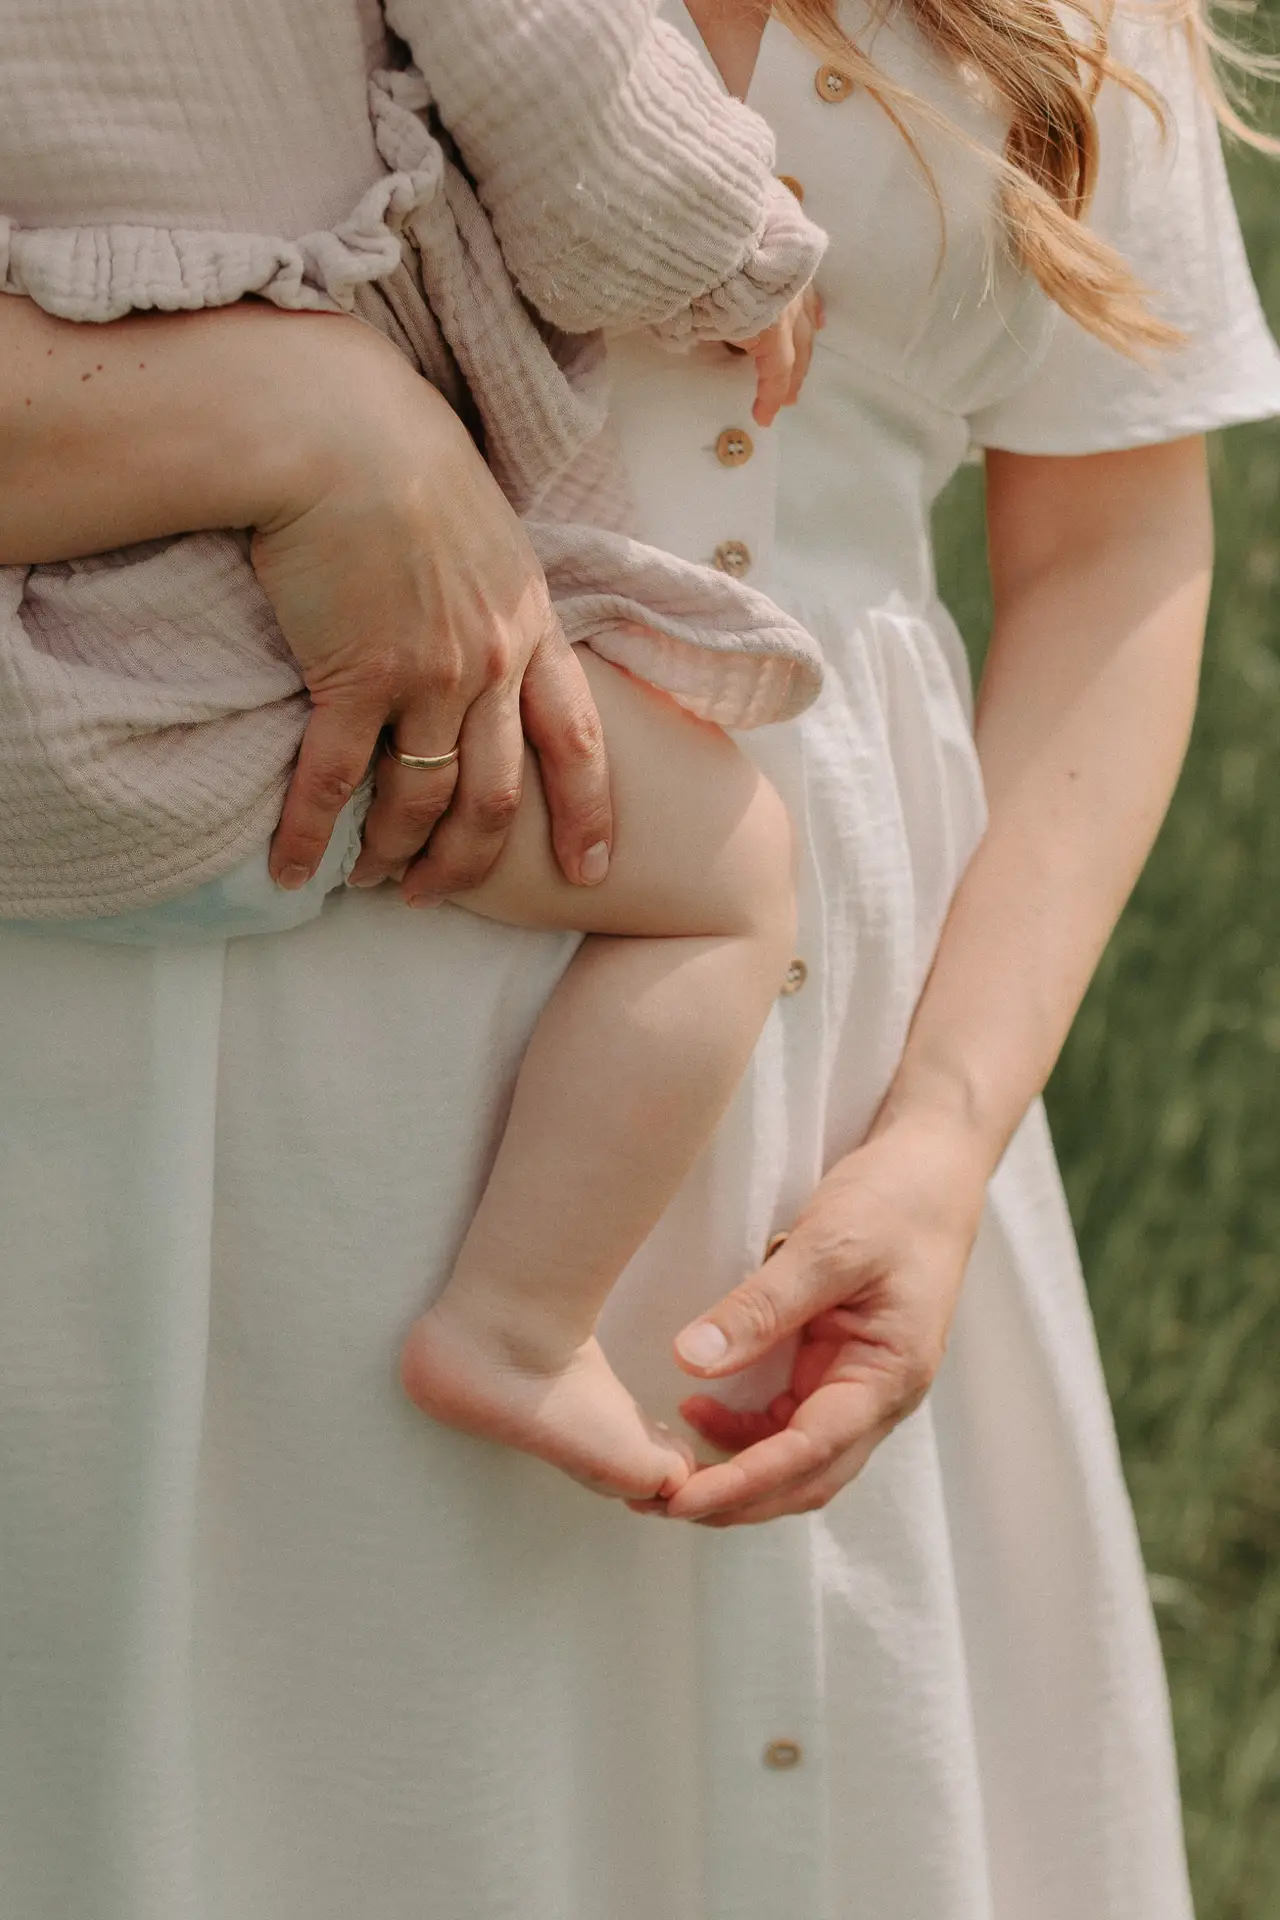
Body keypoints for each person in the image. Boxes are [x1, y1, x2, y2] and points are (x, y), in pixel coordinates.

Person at [2, 10, 1278, 1920]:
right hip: (171, 1070)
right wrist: (295, 426)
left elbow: (1113, 546)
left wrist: (940, 1142)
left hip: (827, 1123)